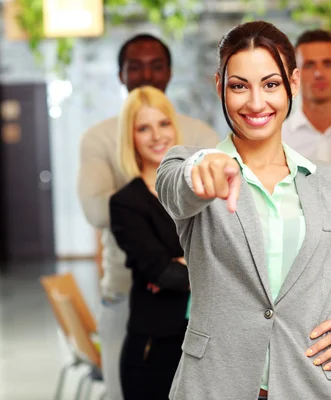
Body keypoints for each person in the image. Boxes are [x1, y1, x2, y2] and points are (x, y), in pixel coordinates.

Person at [156, 21, 331, 400]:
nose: (255, 103)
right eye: (239, 86)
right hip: (213, 385)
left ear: (293, 84)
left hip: (315, 386)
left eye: (271, 84)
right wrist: (202, 166)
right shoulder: (188, 165)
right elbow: (176, 188)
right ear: (219, 86)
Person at [76, 34, 218, 400]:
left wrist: (181, 264)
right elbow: (97, 210)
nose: (146, 74)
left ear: (170, 71)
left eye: (156, 64)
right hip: (132, 301)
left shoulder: (200, 134)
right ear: (120, 74)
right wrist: (182, 261)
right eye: (135, 66)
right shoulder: (104, 148)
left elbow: (226, 226)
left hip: (204, 312)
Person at [109, 86, 190, 399]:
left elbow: (235, 256)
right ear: (130, 138)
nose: (157, 136)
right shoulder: (126, 203)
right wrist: (202, 268)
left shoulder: (198, 188)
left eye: (163, 124)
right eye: (144, 128)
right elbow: (161, 273)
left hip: (208, 344)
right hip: (155, 351)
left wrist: (182, 268)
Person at [282, 29, 331, 161]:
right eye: (309, 65)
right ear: (293, 76)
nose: (319, 73)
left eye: (328, 64)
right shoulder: (279, 140)